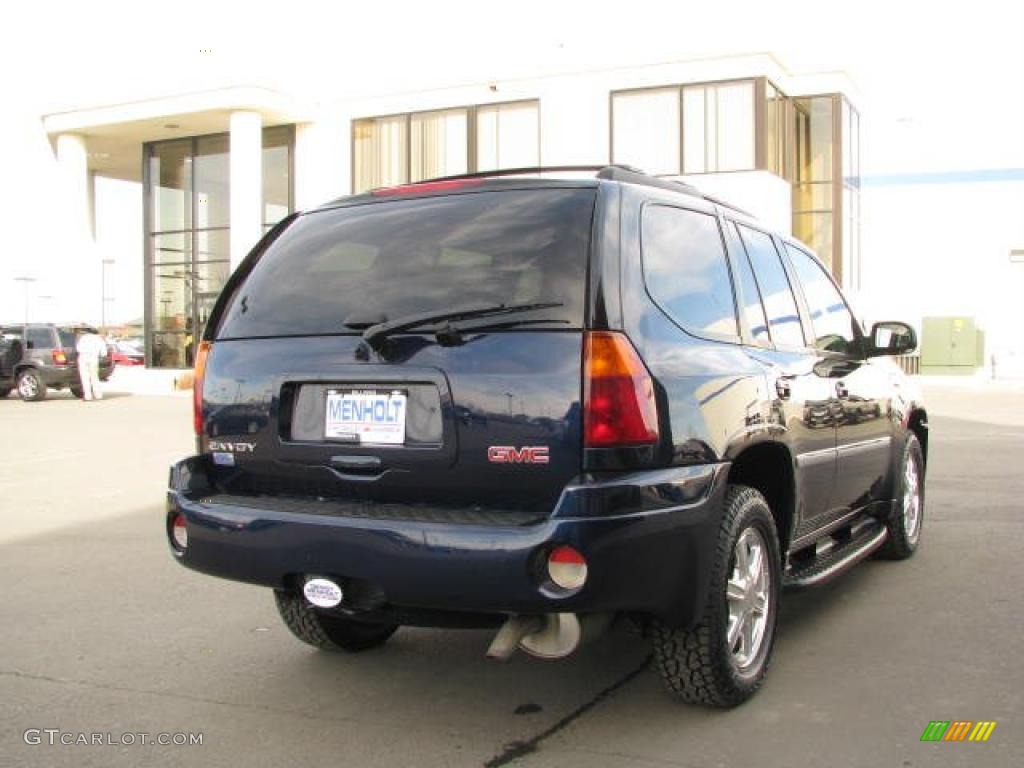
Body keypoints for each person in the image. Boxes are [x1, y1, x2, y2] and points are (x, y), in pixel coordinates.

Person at [75, 330, 107, 401]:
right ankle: (98, 395)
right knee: (94, 377)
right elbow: (104, 353)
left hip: (83, 358)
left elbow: (78, 349)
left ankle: (88, 396)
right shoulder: (99, 339)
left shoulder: (83, 338)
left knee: (85, 378)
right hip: (94, 359)